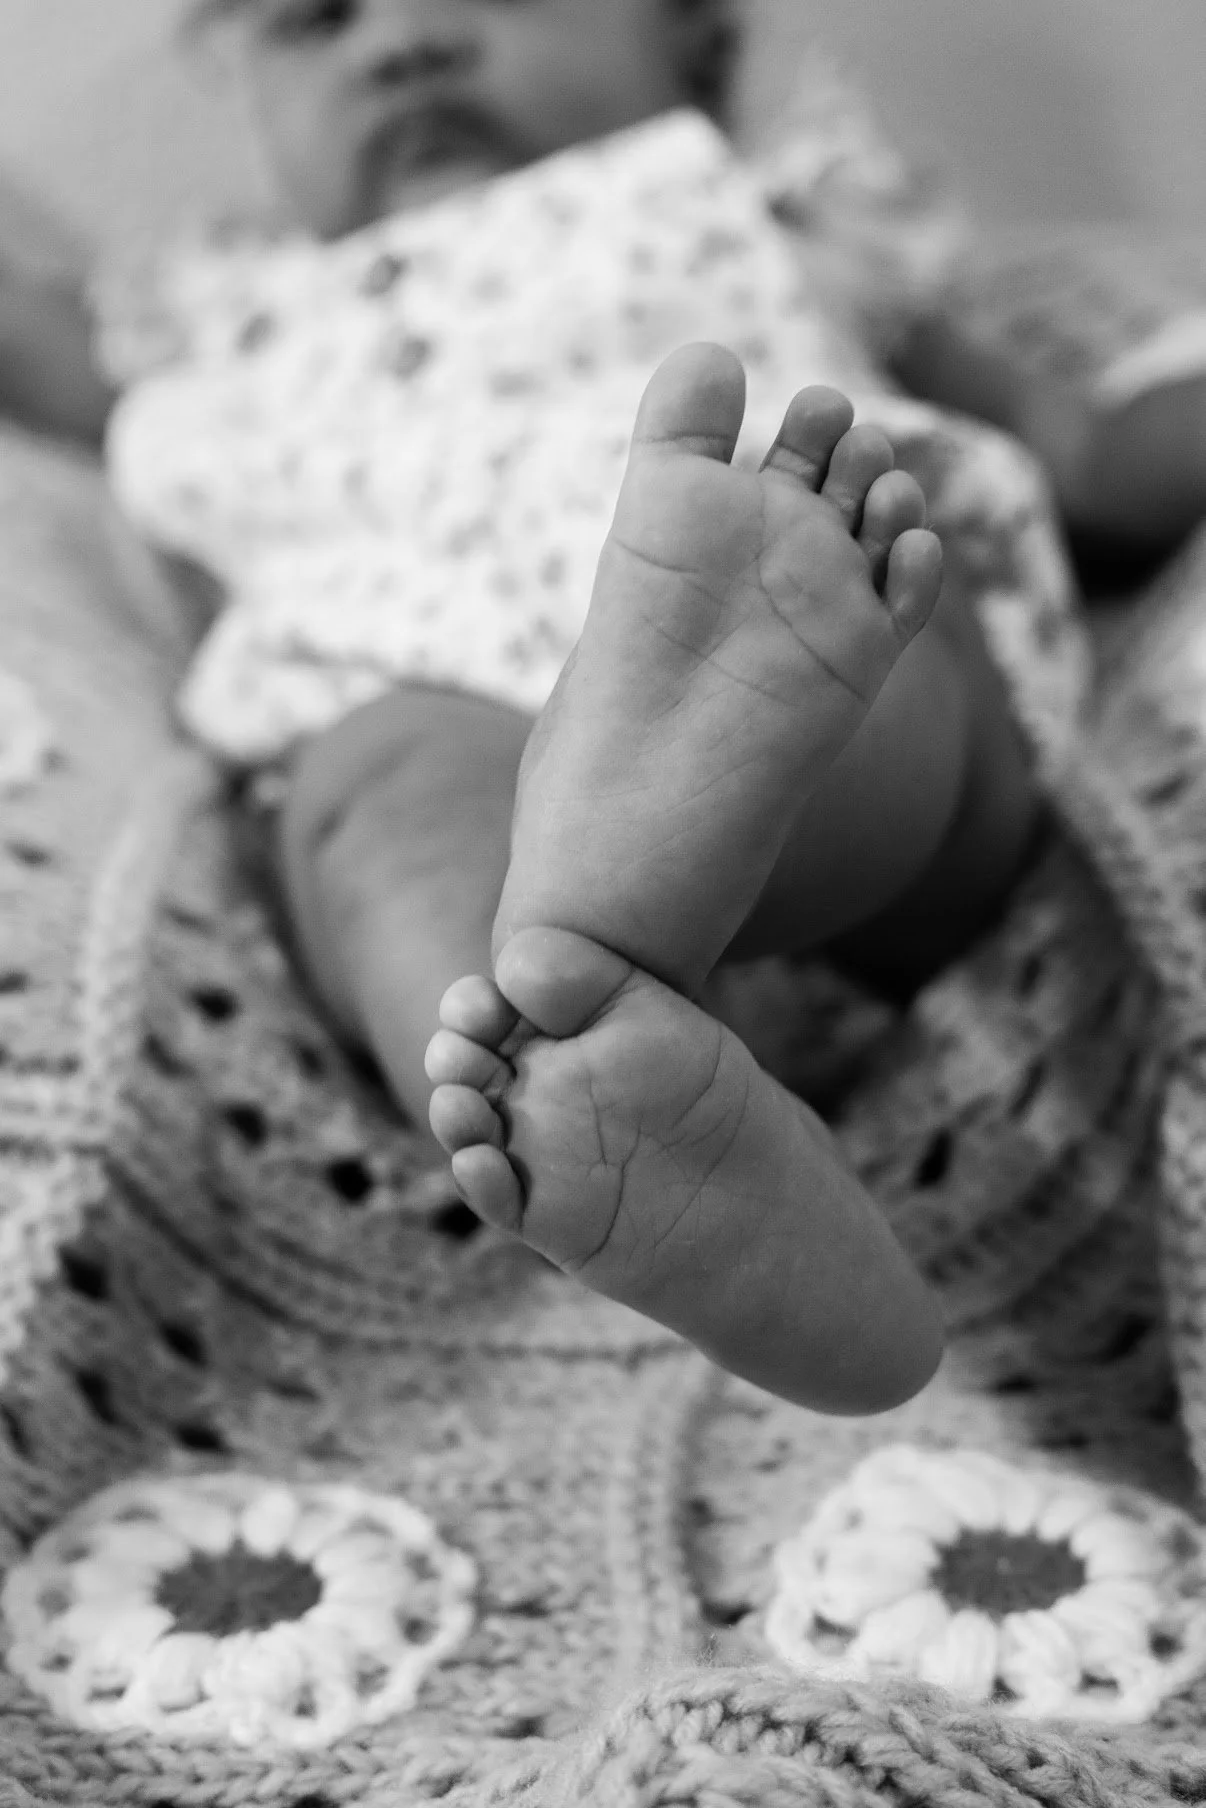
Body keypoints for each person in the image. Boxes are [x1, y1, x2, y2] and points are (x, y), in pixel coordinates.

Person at [1, 0, 1204, 1419]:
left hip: (765, 584)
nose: (400, 44)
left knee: (848, 636)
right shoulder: (213, 308)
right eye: (316, 21)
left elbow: (1089, 450)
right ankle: (581, 1081)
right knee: (375, 799)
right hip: (407, 663)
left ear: (688, 39)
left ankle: (600, 910)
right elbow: (30, 341)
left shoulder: (776, 200)